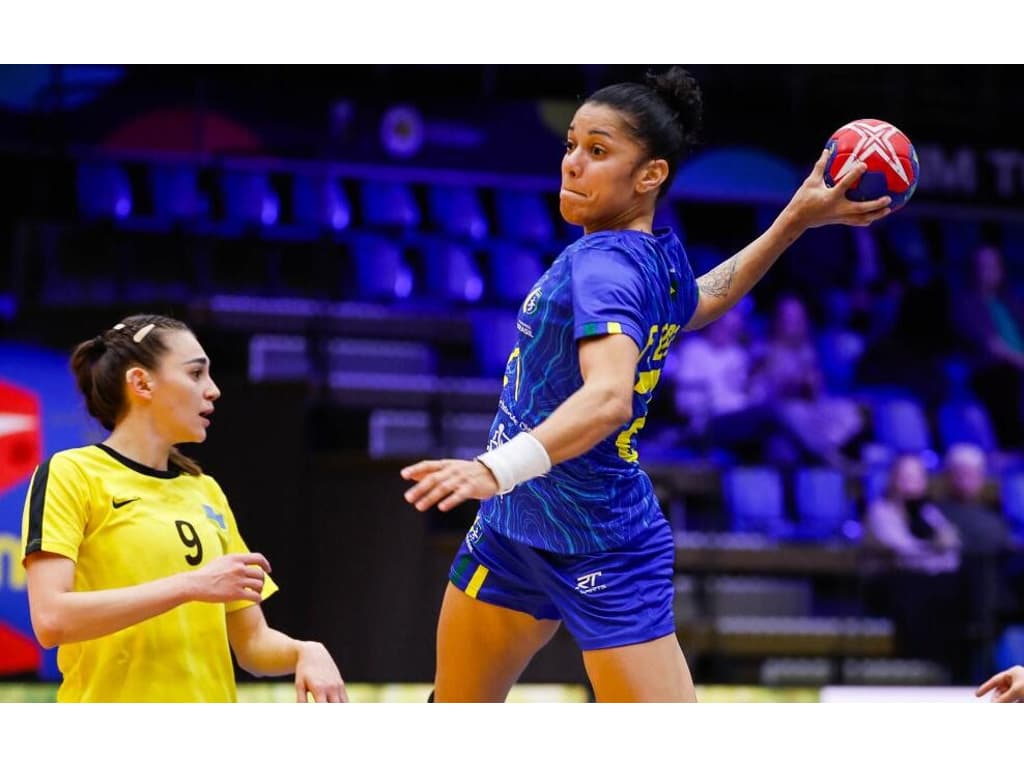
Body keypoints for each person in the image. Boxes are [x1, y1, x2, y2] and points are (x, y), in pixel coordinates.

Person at [401, 66, 891, 703]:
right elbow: (702, 302)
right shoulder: (652, 254)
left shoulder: (604, 264)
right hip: (512, 530)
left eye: (598, 151)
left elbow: (608, 399)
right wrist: (793, 220)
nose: (573, 164)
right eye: (571, 145)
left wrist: (495, 469)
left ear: (650, 175)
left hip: (600, 539)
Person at [20, 314, 347, 703]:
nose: (213, 391)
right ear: (141, 382)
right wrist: (189, 585)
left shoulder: (205, 491)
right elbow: (52, 620)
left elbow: (253, 644)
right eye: (196, 375)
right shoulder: (72, 473)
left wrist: (304, 651)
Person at [863, 453, 962, 672]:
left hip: (928, 586)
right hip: (889, 587)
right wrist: (933, 550)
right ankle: (912, 666)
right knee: (914, 587)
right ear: (893, 479)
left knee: (954, 587)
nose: (911, 483)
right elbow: (900, 552)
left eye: (916, 477)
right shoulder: (881, 511)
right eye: (905, 476)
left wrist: (933, 552)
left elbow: (951, 550)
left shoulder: (929, 513)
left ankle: (945, 669)